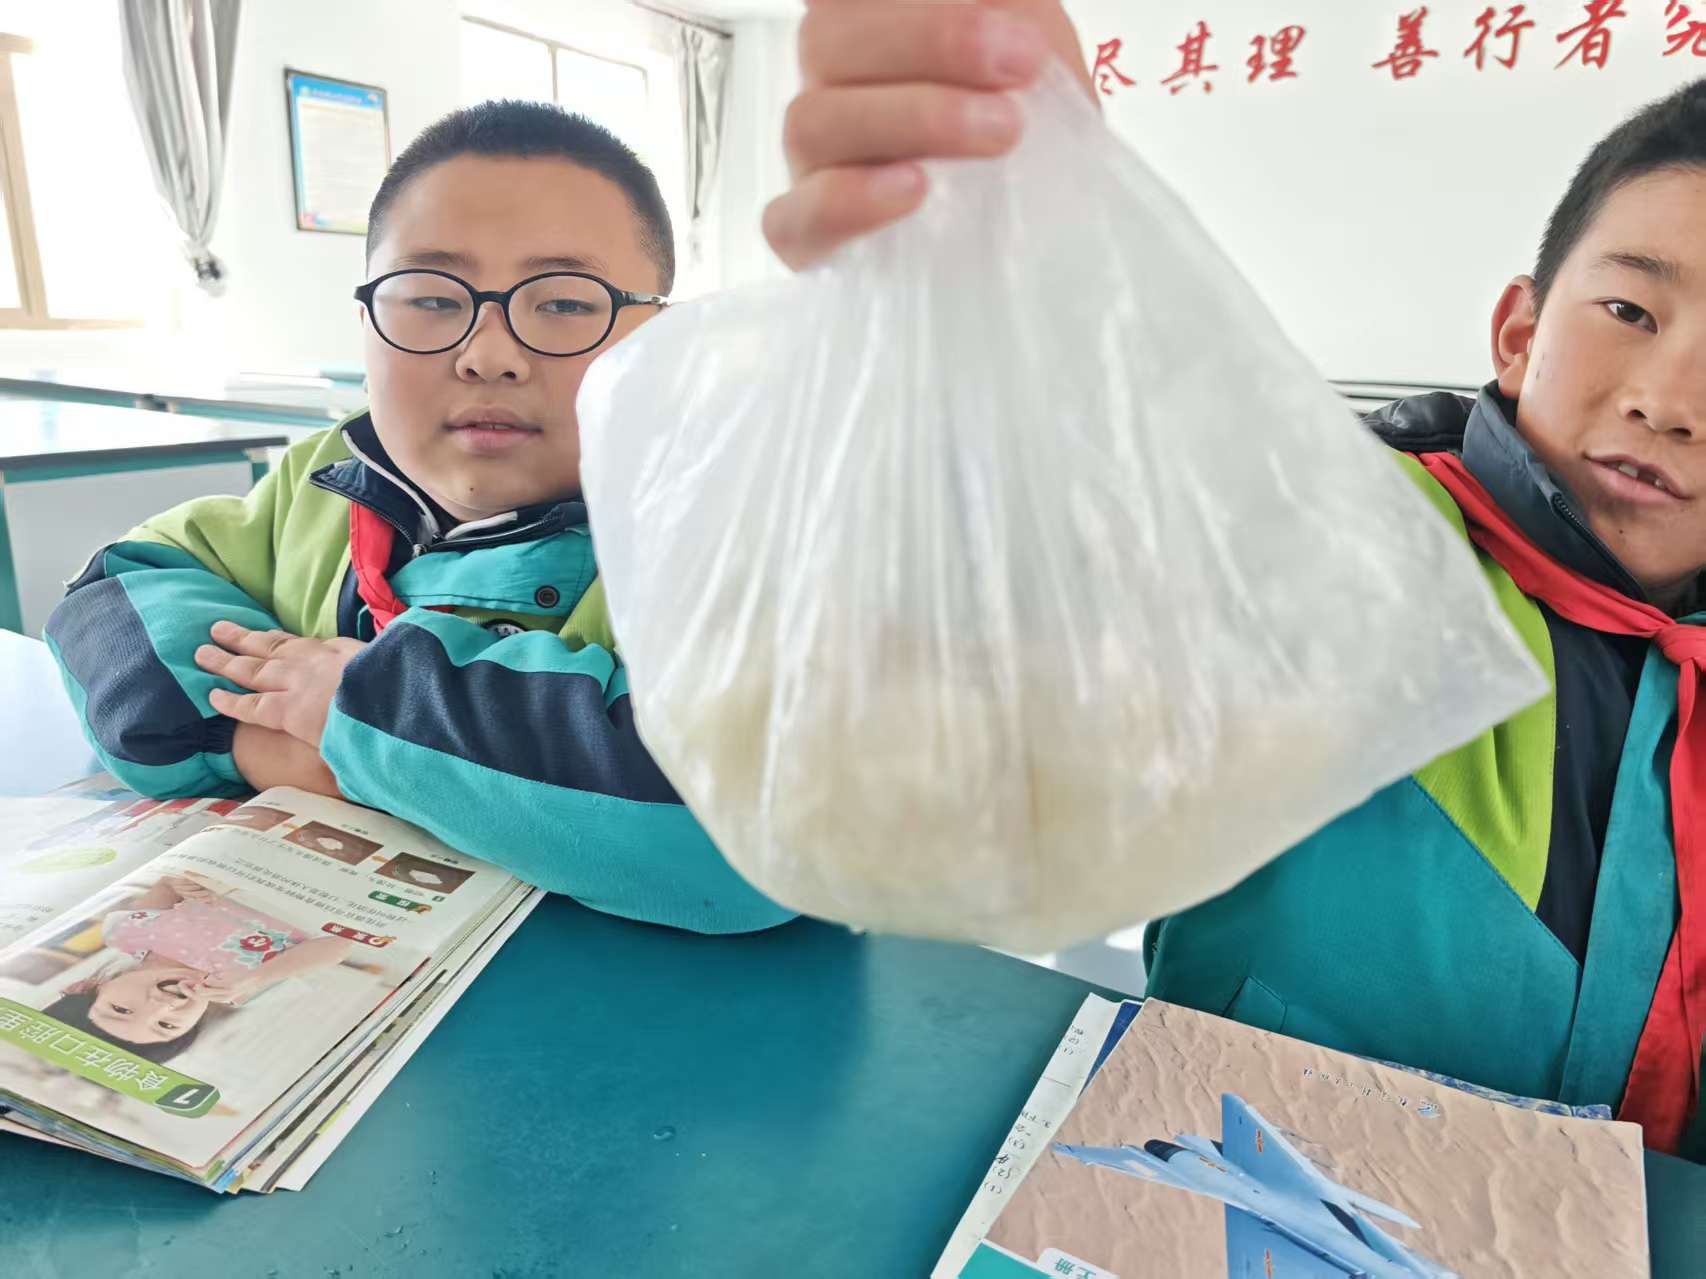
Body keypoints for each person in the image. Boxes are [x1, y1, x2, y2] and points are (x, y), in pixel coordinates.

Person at [768, 0, 1706, 1156]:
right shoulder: (1357, 535)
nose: (1668, 400)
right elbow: (1099, 531)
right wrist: (1021, 313)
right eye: (1628, 310)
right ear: (1517, 331)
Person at [46, 100, 791, 938]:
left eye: (565, 303)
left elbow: (752, 825)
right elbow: (114, 594)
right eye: (431, 299)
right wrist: (255, 742)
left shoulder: (729, 526)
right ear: (367, 321)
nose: (489, 354)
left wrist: (352, 709)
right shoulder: (324, 479)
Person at [42, 873, 347, 1063]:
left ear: (87, 987)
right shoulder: (244, 990)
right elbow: (338, 945)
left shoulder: (126, 933)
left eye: (121, 1009)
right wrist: (256, 977)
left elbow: (167, 883)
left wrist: (181, 884)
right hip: (321, 897)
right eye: (167, 1025)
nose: (161, 1006)